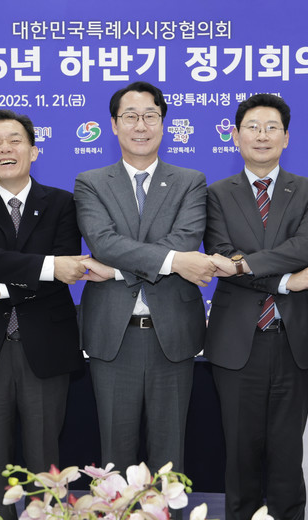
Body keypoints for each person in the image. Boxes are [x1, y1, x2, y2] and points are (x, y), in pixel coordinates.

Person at [74, 81, 212, 485]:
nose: (141, 125)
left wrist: (118, 269)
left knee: (170, 459)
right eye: (130, 116)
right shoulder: (91, 181)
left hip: (173, 334)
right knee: (114, 458)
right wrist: (173, 262)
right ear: (114, 125)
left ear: (163, 123)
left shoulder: (190, 180)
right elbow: (103, 242)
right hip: (112, 335)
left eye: (150, 116)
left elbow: (185, 240)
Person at [0, 109, 86, 520]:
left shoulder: (62, 203)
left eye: (15, 140)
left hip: (45, 347)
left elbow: (65, 271)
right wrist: (46, 266)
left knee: (45, 458)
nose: (5, 149)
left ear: (33, 150)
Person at [203, 94, 308, 520]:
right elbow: (221, 255)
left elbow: (306, 247)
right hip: (237, 340)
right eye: (252, 127)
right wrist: (285, 281)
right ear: (235, 136)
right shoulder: (215, 194)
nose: (262, 135)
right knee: (240, 450)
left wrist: (246, 263)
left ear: (286, 137)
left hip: (293, 337)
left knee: (287, 449)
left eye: (271, 127)